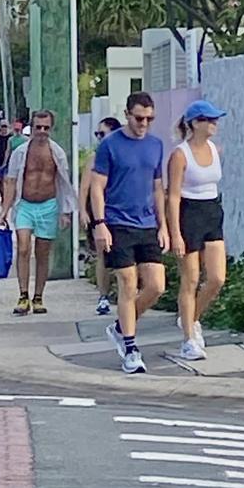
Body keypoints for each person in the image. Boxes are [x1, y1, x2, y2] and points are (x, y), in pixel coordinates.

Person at [91, 92, 169, 375]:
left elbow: (157, 188)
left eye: (149, 119)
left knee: (156, 286)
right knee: (127, 282)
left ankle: (121, 326)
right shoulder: (110, 145)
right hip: (117, 221)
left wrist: (164, 226)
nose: (144, 123)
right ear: (127, 115)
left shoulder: (156, 145)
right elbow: (97, 186)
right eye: (139, 118)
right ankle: (131, 348)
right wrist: (100, 223)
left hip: (146, 223)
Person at [0, 110, 76, 315]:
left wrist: (65, 211)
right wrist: (4, 210)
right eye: (38, 127)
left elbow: (64, 183)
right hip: (25, 205)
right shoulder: (20, 152)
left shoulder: (56, 153)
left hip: (48, 206)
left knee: (42, 253)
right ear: (31, 127)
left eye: (46, 128)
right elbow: (11, 181)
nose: (41, 131)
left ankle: (38, 296)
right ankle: (23, 295)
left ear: (51, 128)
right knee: (23, 248)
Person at [167, 99, 227, 362]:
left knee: (216, 278)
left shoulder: (215, 149)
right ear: (193, 123)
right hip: (188, 214)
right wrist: (175, 233)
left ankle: (191, 319)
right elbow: (173, 196)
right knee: (190, 279)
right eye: (207, 120)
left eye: (214, 120)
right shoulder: (180, 154)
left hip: (212, 212)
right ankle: (189, 339)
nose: (213, 124)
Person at [79, 117, 122, 315]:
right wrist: (83, 211)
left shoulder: (124, 154)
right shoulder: (95, 158)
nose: (99, 138)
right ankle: (103, 296)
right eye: (97, 134)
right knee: (103, 255)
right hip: (100, 212)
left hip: (121, 212)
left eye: (102, 134)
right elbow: (85, 187)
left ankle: (124, 294)